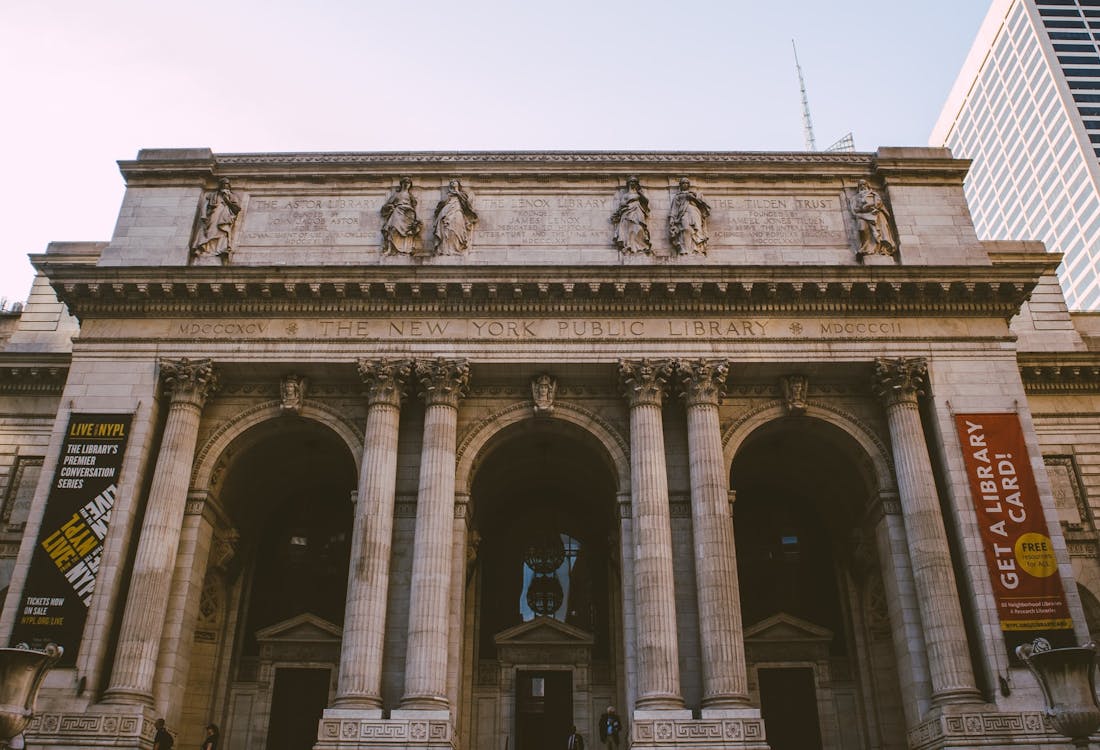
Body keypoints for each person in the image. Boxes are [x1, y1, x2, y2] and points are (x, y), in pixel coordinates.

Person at [192, 178, 242, 263]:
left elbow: (237, 208)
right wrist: (204, 215)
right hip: (213, 214)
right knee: (210, 230)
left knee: (223, 231)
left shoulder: (232, 196)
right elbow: (205, 206)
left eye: (227, 184)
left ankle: (221, 248)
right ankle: (206, 248)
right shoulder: (213, 195)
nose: (225, 186)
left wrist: (227, 200)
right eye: (223, 184)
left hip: (225, 216)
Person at [849, 179, 898, 260]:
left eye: (864, 184)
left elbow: (879, 203)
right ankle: (866, 247)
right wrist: (861, 208)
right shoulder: (855, 198)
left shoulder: (874, 194)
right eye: (861, 185)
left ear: (867, 185)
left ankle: (877, 248)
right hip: (861, 215)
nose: (863, 186)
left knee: (877, 232)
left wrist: (874, 207)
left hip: (874, 214)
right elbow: (853, 209)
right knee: (862, 229)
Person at [433, 179, 478, 255]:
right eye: (452, 182)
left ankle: (456, 248)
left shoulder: (462, 194)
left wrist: (458, 193)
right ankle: (445, 249)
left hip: (457, 210)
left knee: (456, 228)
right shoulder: (448, 195)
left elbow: (466, 204)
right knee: (445, 229)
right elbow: (441, 204)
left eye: (455, 182)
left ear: (458, 184)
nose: (453, 183)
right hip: (446, 211)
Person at [668, 177, 710, 254]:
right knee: (686, 229)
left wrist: (693, 198)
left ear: (689, 185)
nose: (685, 184)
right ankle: (686, 250)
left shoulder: (693, 195)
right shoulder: (678, 196)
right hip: (684, 214)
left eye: (686, 183)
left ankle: (696, 249)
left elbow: (702, 205)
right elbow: (674, 209)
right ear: (680, 185)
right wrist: (672, 218)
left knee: (697, 230)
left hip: (695, 213)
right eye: (683, 183)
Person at [381, 177, 422, 255]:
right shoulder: (397, 194)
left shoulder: (411, 196)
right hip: (398, 211)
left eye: (408, 183)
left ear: (410, 185)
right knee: (393, 228)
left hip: (409, 214)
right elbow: (387, 205)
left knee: (408, 232)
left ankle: (406, 249)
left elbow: (415, 206)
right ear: (401, 184)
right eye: (404, 182)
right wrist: (391, 207)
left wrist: (416, 217)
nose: (406, 184)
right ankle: (391, 248)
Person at [611, 177, 651, 254]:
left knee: (639, 228)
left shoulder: (639, 194)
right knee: (629, 228)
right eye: (631, 182)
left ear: (636, 184)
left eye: (634, 182)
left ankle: (641, 245)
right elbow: (622, 204)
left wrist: (640, 193)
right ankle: (629, 245)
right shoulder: (626, 195)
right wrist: (630, 201)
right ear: (628, 184)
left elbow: (646, 202)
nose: (633, 183)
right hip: (628, 211)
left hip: (638, 211)